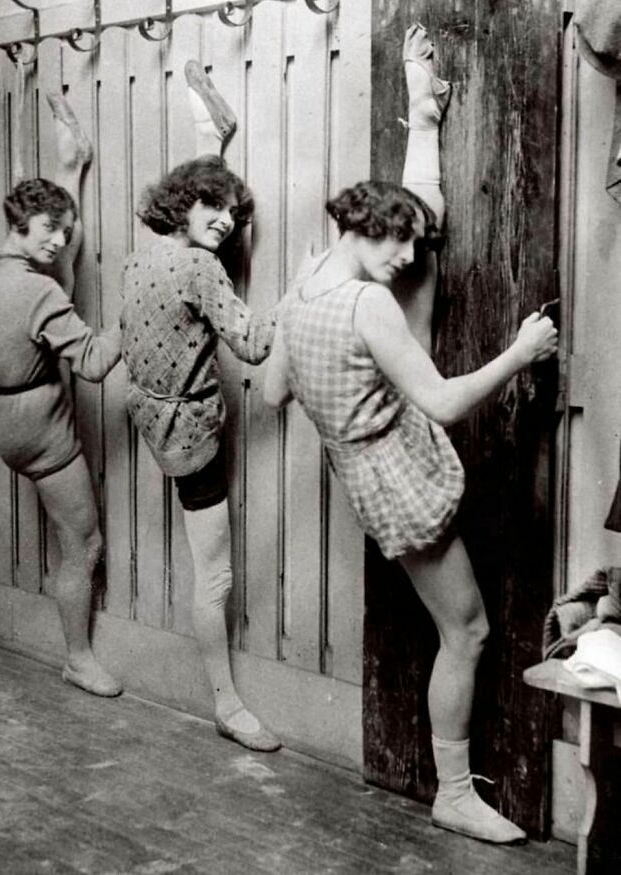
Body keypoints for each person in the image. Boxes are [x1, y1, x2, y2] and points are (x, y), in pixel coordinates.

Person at [263, 24, 558, 843]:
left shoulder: (307, 280)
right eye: (389, 242)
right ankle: (454, 791)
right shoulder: (364, 304)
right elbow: (443, 401)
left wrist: (340, 388)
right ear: (360, 228)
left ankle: (420, 113)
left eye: (405, 240)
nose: (401, 255)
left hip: (358, 461)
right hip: (397, 469)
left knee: (422, 247)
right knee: (466, 628)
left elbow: (271, 388)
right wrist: (521, 350)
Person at [119, 62, 281, 751]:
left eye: (234, 214)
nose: (226, 222)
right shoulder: (200, 266)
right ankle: (226, 703)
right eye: (212, 209)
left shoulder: (143, 253)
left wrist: (211, 172)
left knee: (204, 569)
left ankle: (207, 134)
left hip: (152, 417)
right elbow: (252, 345)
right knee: (213, 575)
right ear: (183, 205)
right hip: (192, 435)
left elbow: (194, 237)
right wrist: (298, 294)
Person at [0, 94, 122, 698]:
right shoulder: (41, 295)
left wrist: (63, 194)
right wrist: (133, 317)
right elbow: (92, 364)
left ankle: (71, 164)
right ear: (19, 226)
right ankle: (78, 659)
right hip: (45, 436)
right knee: (84, 544)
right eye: (48, 229)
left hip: (6, 427)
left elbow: (54, 268)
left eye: (64, 228)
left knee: (60, 273)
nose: (58, 238)